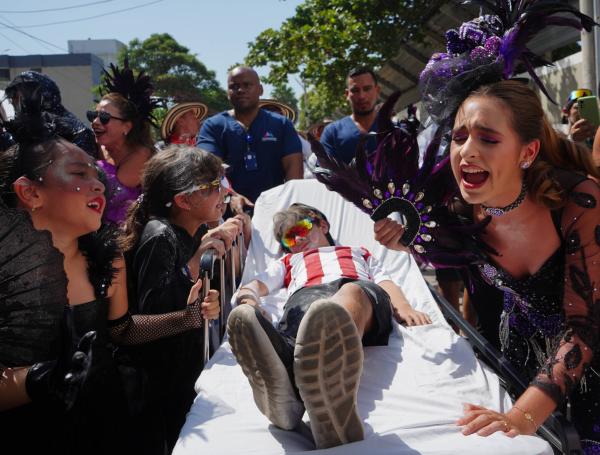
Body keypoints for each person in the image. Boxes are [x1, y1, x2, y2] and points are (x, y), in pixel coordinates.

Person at [367, 5, 599, 451]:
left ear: (527, 152)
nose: (466, 152)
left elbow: (584, 327)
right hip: (513, 358)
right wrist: (404, 239)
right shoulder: (455, 206)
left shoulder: (579, 200)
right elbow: (432, 263)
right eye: (458, 137)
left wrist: (522, 415)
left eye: (488, 139)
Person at [0, 97, 220, 454]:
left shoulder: (107, 259)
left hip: (107, 422)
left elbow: (122, 330)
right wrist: (39, 380)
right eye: (79, 174)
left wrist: (188, 317)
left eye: (96, 173)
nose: (99, 183)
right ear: (30, 192)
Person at [227, 203, 431, 449]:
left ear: (322, 225)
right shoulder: (291, 260)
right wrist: (250, 301)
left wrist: (403, 307)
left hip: (357, 292)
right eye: (288, 239)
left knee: (347, 297)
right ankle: (288, 394)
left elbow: (386, 282)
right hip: (306, 296)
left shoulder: (359, 252)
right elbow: (255, 285)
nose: (297, 240)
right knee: (298, 319)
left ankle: (314, 376)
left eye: (301, 229)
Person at [122, 145, 237, 453]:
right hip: (159, 385)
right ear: (184, 200)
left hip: (179, 370)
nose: (223, 191)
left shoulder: (185, 232)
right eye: (212, 187)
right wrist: (195, 263)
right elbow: (151, 315)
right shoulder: (160, 235)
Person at [197, 66, 303, 210]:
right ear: (227, 93)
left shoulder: (281, 124)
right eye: (234, 86)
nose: (240, 90)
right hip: (227, 212)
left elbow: (294, 171)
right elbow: (208, 169)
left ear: (260, 89)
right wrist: (231, 197)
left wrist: (288, 207)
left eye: (247, 85)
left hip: (277, 210)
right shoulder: (213, 126)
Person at [91, 62, 160, 226]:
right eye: (93, 115)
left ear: (126, 127)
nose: (95, 122)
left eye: (104, 118)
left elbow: (110, 195)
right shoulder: (100, 148)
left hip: (131, 239)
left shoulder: (142, 155)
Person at [4, 71, 97, 157]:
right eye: (11, 97)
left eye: (16, 96)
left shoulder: (73, 130)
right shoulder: (18, 131)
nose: (13, 102)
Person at [320, 67, 381, 164]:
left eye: (367, 89)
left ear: (377, 90)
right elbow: (326, 174)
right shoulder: (332, 133)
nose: (362, 96)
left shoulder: (396, 131)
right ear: (347, 94)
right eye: (355, 90)